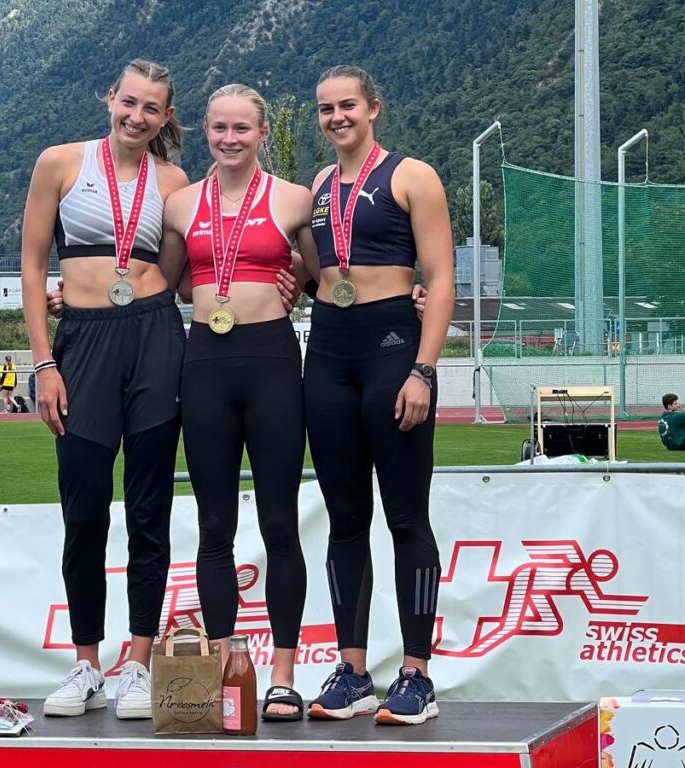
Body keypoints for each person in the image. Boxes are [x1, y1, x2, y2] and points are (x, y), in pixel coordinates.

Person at [20, 59, 189, 721]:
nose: (137, 116)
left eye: (152, 108)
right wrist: (43, 363)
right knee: (84, 510)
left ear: (165, 118)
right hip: (81, 347)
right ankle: (87, 662)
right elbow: (34, 266)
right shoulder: (59, 164)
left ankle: (138, 666)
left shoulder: (175, 183)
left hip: (153, 340)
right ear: (109, 97)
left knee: (149, 513)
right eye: (129, 102)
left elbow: (180, 278)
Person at [300, 65, 454, 726]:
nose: (336, 118)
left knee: (406, 518)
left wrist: (423, 369)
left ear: (374, 109)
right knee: (345, 519)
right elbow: (315, 276)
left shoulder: (412, 176)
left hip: (394, 348)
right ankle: (353, 671)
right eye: (326, 109)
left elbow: (441, 277)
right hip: (330, 351)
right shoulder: (316, 187)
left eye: (347, 106)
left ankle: (416, 674)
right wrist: (292, 287)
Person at [156, 84, 313, 721]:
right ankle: (226, 662)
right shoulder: (180, 205)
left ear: (262, 132)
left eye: (242, 128)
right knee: (214, 525)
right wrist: (73, 299)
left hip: (274, 361)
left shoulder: (294, 199)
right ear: (205, 130)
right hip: (207, 366)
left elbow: (326, 278)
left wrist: (302, 280)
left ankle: (281, 671)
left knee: (279, 522)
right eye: (219, 127)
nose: (229, 138)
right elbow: (159, 284)